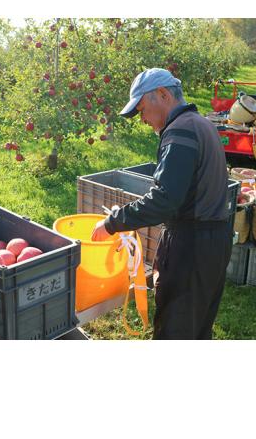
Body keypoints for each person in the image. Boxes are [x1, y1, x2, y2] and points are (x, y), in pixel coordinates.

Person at [91, 68, 232, 339]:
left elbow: (165, 199)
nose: (142, 119)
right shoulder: (201, 124)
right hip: (214, 239)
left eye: (142, 109)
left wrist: (113, 222)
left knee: (175, 330)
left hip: (191, 246)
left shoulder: (180, 131)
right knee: (198, 325)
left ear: (163, 95)